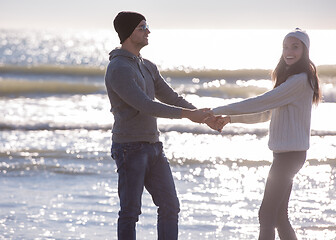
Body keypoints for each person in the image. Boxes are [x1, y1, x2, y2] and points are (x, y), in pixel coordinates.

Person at [104, 11, 214, 240]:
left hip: (154, 146)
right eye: (142, 27)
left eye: (146, 26)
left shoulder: (148, 66)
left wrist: (204, 116)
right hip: (129, 148)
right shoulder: (118, 69)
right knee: (130, 213)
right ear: (128, 33)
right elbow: (146, 105)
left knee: (170, 206)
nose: (148, 31)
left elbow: (171, 97)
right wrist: (188, 115)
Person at [207, 28, 322, 239]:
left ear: (305, 50)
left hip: (289, 156)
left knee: (266, 214)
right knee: (279, 216)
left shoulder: (299, 80)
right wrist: (231, 119)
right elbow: (265, 113)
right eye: (286, 47)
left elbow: (260, 102)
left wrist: (216, 110)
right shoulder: (292, 80)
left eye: (295, 47)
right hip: (288, 155)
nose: (289, 51)